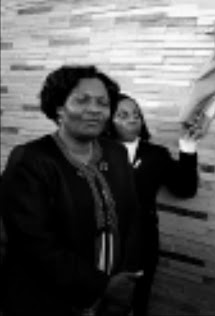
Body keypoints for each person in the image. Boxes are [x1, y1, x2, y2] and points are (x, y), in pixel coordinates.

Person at [0, 65, 143, 316]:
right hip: (48, 300)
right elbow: (34, 244)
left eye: (103, 103)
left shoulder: (116, 153)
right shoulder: (30, 159)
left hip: (110, 300)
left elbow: (132, 219)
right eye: (82, 100)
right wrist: (102, 286)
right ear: (59, 108)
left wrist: (125, 279)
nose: (94, 110)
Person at [104, 93, 199, 316]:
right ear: (109, 120)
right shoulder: (95, 150)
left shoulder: (155, 154)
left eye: (137, 114)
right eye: (123, 115)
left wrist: (188, 145)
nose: (132, 119)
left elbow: (185, 189)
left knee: (138, 298)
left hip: (142, 240)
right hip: (102, 238)